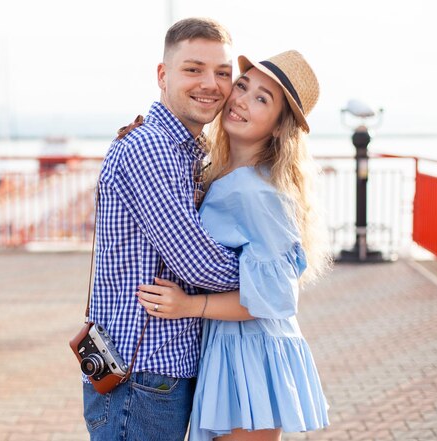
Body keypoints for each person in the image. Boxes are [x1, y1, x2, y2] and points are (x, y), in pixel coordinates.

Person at [137, 50, 331, 440]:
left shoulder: (255, 192)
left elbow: (275, 297)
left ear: (279, 127)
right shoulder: (225, 173)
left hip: (251, 355)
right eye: (242, 86)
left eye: (262, 98)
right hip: (232, 347)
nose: (241, 99)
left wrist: (190, 305)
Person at [83, 18, 241, 441]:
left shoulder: (186, 150)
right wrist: (268, 277)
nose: (211, 83)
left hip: (154, 371)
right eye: (194, 69)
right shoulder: (151, 146)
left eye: (223, 73)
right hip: (142, 374)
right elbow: (198, 263)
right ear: (162, 75)